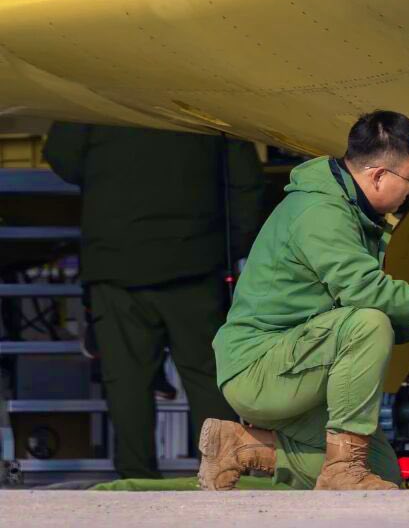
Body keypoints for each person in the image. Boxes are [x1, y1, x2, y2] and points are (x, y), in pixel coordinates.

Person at [200, 109, 409, 492]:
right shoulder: (322, 212)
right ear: (378, 175)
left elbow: (342, 317)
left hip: (297, 363)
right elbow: (365, 297)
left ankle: (240, 448)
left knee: (384, 475)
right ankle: (342, 471)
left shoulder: (348, 210)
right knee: (368, 322)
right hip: (261, 371)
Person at [42, 122, 266, 482]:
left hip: (116, 263)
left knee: (127, 381)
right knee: (207, 377)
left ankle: (137, 477)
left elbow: (61, 157)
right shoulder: (203, 103)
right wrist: (231, 247)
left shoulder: (96, 101)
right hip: (196, 262)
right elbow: (246, 181)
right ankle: (222, 471)